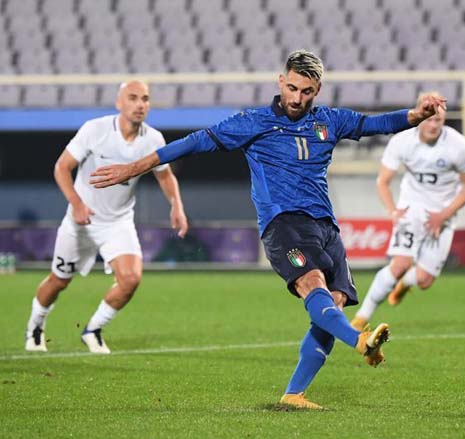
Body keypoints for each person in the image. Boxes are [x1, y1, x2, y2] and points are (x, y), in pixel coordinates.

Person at [89, 50, 446, 409]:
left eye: (306, 91)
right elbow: (195, 142)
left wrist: (417, 115)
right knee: (313, 286)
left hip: (325, 226)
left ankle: (294, 394)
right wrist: (134, 167)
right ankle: (359, 341)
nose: (296, 97)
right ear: (280, 81)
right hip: (282, 225)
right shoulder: (254, 122)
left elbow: (376, 124)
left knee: (333, 305)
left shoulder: (330, 121)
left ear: (317, 89)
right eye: (291, 87)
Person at [25, 81, 188, 354]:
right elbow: (62, 167)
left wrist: (177, 205)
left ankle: (93, 329)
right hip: (81, 222)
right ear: (119, 103)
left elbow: (165, 175)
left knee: (131, 279)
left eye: (145, 99)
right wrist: (76, 204)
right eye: (133, 98)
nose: (140, 104)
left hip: (118, 222)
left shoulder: (153, 139)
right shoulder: (95, 129)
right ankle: (35, 326)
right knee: (59, 280)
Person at [350, 94, 465, 330]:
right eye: (429, 119)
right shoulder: (401, 142)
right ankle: (361, 317)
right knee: (399, 264)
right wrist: (393, 211)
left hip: (443, 214)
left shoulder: (458, 146)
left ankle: (406, 283)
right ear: (421, 116)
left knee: (424, 280)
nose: (432, 125)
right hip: (412, 209)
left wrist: (444, 214)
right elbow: (383, 181)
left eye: (438, 121)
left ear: (444, 121)